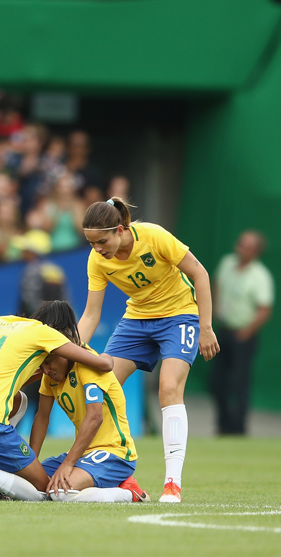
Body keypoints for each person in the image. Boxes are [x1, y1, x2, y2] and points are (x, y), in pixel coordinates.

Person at [77, 198, 220, 503]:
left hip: (179, 315)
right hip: (137, 320)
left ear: (120, 229)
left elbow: (201, 274)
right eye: (91, 243)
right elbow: (90, 315)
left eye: (102, 241)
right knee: (101, 390)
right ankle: (121, 477)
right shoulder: (97, 260)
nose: (98, 249)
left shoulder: (154, 236)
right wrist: (70, 350)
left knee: (168, 389)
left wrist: (205, 327)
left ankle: (172, 483)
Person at [0, 301, 114, 501]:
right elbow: (105, 364)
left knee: (20, 400)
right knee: (44, 490)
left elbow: (7, 378)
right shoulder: (43, 332)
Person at [29, 301, 149, 503]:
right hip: (85, 456)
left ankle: (130, 492)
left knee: (59, 494)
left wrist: (68, 464)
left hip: (114, 453)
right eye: (42, 363)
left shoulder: (88, 365)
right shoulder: (49, 376)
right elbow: (42, 417)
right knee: (31, 482)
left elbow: (95, 417)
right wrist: (30, 463)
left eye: (48, 362)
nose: (45, 370)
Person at [210, 231, 274, 435]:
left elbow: (264, 309)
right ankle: (223, 424)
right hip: (223, 330)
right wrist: (215, 311)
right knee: (217, 381)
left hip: (243, 336)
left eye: (245, 245)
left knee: (239, 382)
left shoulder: (260, 276)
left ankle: (238, 428)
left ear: (255, 252)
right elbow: (217, 284)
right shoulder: (227, 263)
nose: (240, 248)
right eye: (240, 243)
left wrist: (246, 332)